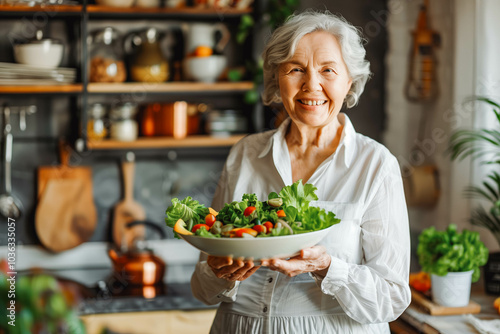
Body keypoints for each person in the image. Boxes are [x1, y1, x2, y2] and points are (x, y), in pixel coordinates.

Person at [191, 10, 411, 334]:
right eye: (296, 69)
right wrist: (217, 270)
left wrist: (326, 268)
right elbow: (202, 289)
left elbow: (392, 297)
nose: (312, 85)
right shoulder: (245, 154)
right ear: (278, 78)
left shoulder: (376, 165)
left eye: (328, 70)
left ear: (348, 81)